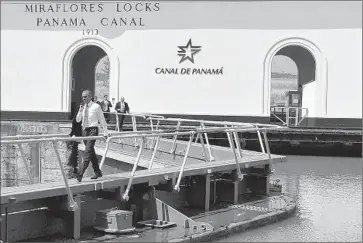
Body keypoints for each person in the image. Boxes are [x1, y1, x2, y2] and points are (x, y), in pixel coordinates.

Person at [76, 89, 109, 182]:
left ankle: (80, 174)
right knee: (91, 151)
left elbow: (102, 120)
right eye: (82, 97)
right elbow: (78, 120)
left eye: (85, 96)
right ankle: (97, 172)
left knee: (87, 151)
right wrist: (80, 111)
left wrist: (105, 133)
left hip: (93, 130)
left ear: (90, 97)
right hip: (84, 131)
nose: (83, 98)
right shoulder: (83, 107)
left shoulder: (96, 106)